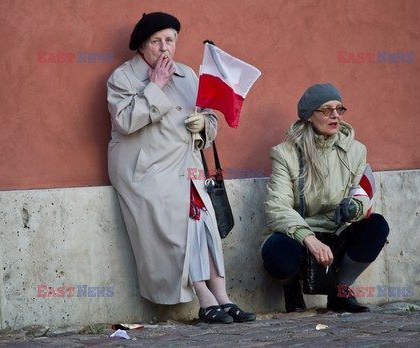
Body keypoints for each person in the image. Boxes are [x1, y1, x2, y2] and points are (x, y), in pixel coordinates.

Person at [107, 12, 255, 324]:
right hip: (145, 173)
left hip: (188, 170)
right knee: (179, 232)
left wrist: (204, 124)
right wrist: (156, 86)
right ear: (142, 47)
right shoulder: (123, 78)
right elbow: (124, 122)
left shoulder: (189, 75)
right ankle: (204, 299)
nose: (164, 48)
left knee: (204, 228)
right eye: (156, 41)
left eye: (170, 40)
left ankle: (222, 297)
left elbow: (211, 120)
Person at [261, 83, 389, 313]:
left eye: (339, 109)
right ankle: (290, 288)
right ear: (310, 116)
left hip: (336, 234)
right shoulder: (285, 153)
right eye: (326, 109)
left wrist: (354, 208)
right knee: (276, 251)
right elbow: (277, 207)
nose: (335, 115)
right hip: (299, 236)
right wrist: (309, 238)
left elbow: (360, 194)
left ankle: (340, 292)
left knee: (377, 226)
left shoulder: (355, 150)